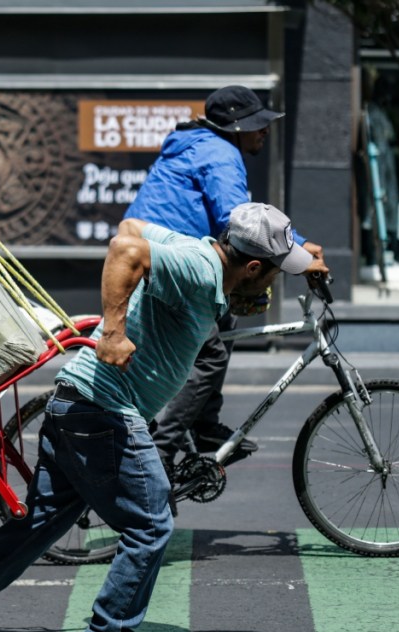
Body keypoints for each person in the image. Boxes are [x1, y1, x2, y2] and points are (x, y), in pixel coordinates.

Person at [0, 202, 329, 632]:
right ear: (252, 267)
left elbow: (131, 226)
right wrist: (113, 331)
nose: (272, 284)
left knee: (39, 527)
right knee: (151, 523)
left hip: (78, 405)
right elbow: (125, 248)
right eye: (273, 273)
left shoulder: (197, 252)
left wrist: (301, 253)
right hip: (102, 411)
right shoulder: (198, 267)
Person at [125, 85, 325, 482]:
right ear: (235, 127)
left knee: (225, 324)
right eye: (258, 126)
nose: (264, 133)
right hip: (163, 263)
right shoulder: (220, 154)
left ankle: (201, 422)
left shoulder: (200, 143)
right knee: (210, 352)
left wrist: (299, 246)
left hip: (160, 256)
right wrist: (299, 253)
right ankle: (162, 453)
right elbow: (240, 219)